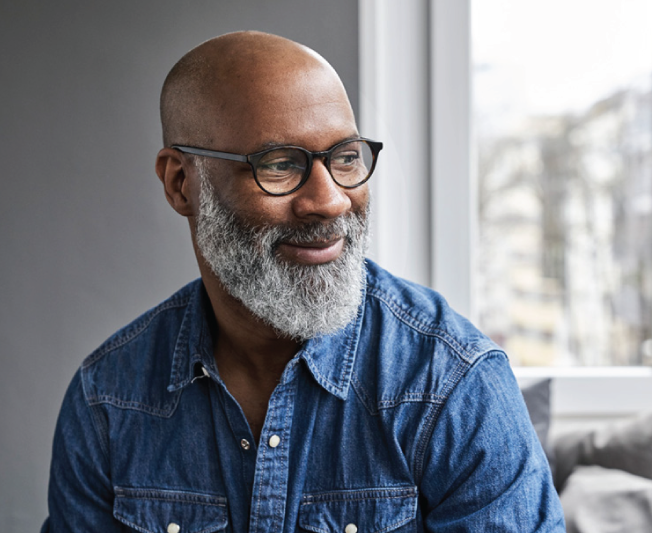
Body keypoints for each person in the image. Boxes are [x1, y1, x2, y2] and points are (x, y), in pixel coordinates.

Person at [42, 31, 565, 532]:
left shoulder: (452, 384)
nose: (331, 200)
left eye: (345, 158)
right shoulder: (108, 399)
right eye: (279, 165)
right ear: (182, 183)